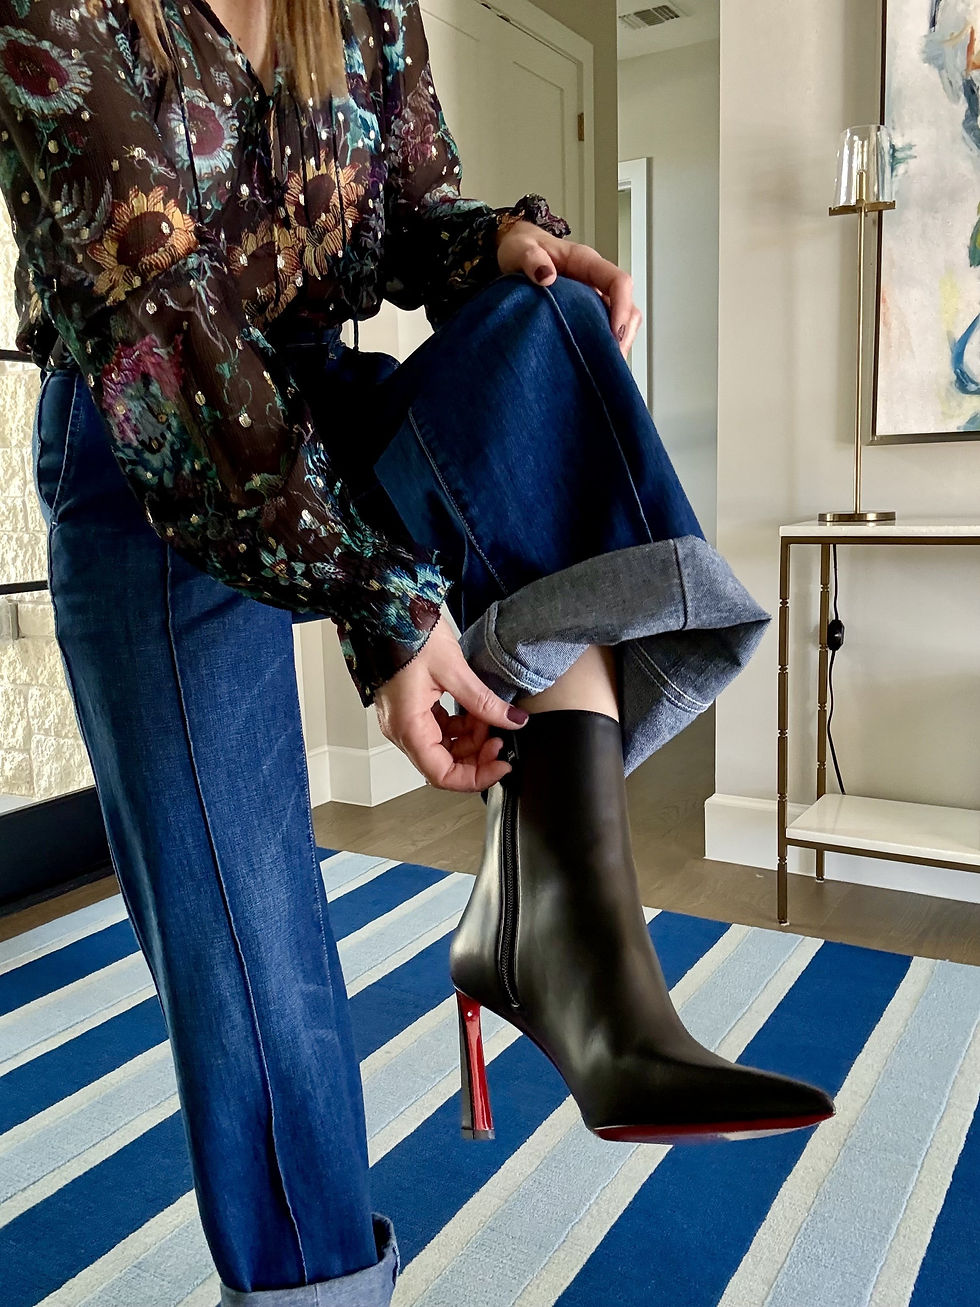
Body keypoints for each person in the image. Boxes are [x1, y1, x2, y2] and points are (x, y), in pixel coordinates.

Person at [0, 0, 835, 1302]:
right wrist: (383, 609)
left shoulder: (365, 9)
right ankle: (317, 1288)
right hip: (149, 438)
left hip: (318, 394)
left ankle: (570, 942)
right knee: (256, 961)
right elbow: (155, 316)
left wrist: (498, 241)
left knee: (543, 322)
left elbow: (400, 223)